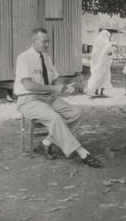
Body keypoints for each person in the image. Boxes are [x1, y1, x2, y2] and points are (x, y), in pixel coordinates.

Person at [14, 27, 101, 168]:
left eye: (48, 42)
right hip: (29, 100)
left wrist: (64, 87)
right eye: (44, 42)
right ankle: (82, 153)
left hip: (48, 98)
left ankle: (46, 143)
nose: (47, 45)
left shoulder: (46, 58)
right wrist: (54, 88)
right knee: (55, 118)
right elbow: (28, 85)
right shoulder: (23, 58)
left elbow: (55, 80)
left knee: (76, 113)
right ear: (34, 41)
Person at [87, 30, 113, 97]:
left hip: (97, 63)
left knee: (97, 75)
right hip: (104, 62)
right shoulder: (107, 43)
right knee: (104, 76)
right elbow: (110, 53)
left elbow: (94, 53)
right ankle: (101, 92)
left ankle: (95, 91)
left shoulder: (97, 42)